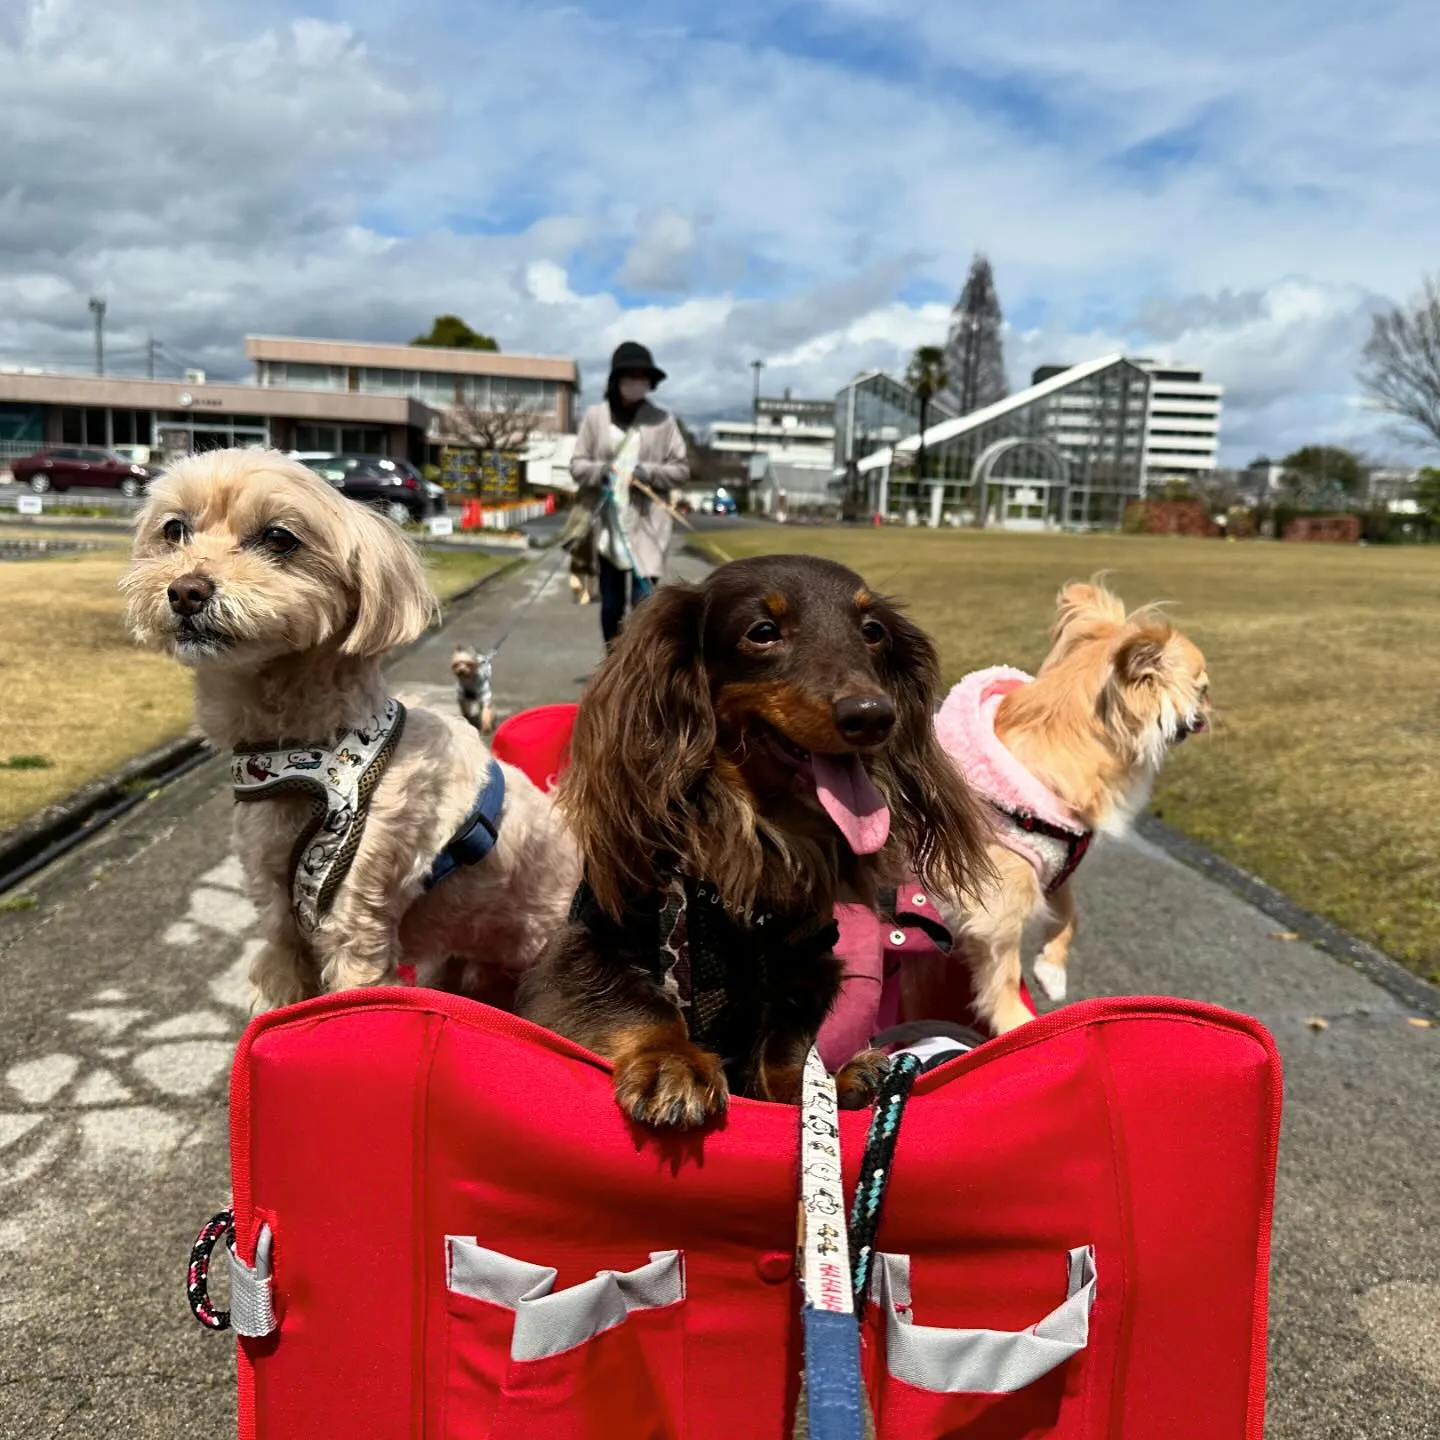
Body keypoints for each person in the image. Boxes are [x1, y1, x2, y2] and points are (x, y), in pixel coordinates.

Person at [569, 341, 689, 648]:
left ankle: (636, 665)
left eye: (643, 377)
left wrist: (647, 473)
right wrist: (603, 472)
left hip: (647, 526)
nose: (637, 383)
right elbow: (578, 466)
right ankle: (613, 660)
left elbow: (681, 469)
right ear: (617, 379)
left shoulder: (663, 420)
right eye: (630, 376)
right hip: (607, 525)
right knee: (610, 606)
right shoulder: (596, 417)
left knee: (645, 605)